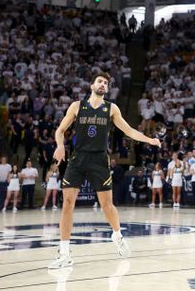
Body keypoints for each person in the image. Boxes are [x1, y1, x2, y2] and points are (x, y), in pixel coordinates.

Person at [48, 72, 161, 268]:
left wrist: (149, 139)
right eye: (99, 81)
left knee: (107, 206)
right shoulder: (77, 106)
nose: (103, 84)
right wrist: (59, 145)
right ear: (92, 85)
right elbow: (60, 131)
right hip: (78, 157)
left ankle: (117, 236)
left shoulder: (111, 108)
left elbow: (128, 130)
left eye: (106, 83)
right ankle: (65, 253)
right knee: (67, 203)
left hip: (100, 159)